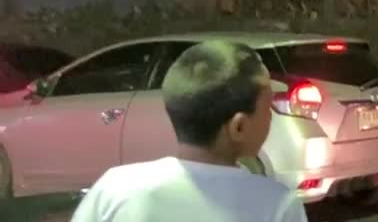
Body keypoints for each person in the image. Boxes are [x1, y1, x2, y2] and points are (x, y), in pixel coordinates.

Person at [71, 40, 307, 222]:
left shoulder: (116, 186)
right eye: (267, 109)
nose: (270, 118)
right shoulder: (277, 204)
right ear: (239, 127)